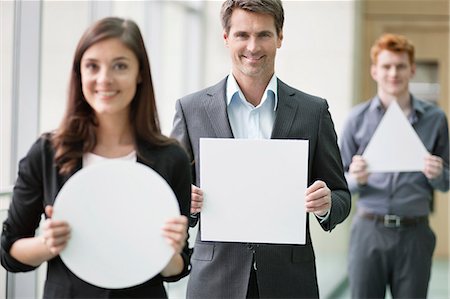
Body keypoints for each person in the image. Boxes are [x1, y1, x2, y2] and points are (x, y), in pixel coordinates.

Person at [0, 17, 191, 298]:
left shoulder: (171, 157)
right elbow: (9, 251)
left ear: (140, 73)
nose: (104, 79)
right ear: (79, 72)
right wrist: (47, 244)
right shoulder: (48, 152)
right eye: (92, 66)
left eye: (120, 66)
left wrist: (170, 250)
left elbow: (178, 266)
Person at [171, 1, 351, 298]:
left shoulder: (312, 111)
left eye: (264, 35)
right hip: (216, 281)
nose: (253, 47)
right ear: (226, 37)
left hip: (289, 281)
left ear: (280, 37)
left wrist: (327, 203)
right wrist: (184, 202)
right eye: (242, 35)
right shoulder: (191, 110)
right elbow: (168, 198)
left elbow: (342, 196)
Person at [340, 33, 449, 299]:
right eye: (386, 66)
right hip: (368, 230)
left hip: (415, 233)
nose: (393, 73)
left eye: (400, 66)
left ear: (412, 69)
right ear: (374, 71)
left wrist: (437, 175)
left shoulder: (435, 119)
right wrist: (356, 178)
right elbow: (338, 184)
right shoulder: (357, 119)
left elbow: (447, 180)